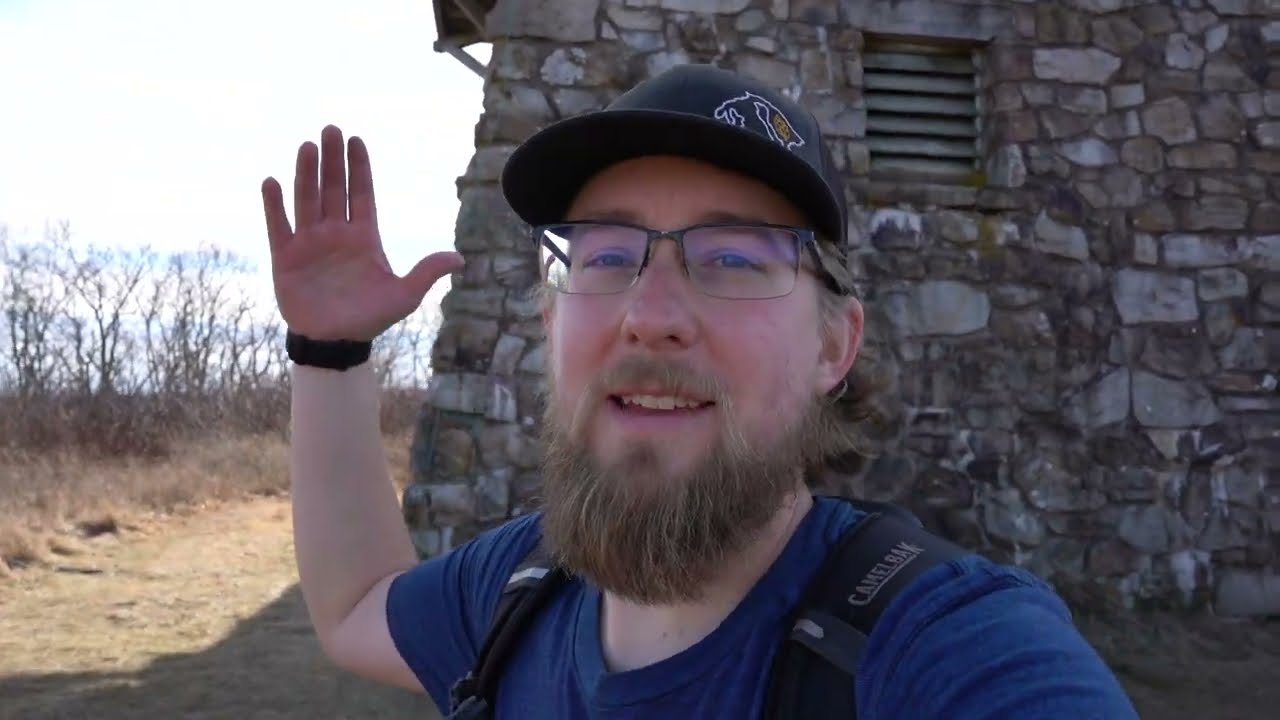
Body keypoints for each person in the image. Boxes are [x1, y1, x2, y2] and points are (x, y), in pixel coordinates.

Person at [261, 63, 1138, 719]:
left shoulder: (947, 649)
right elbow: (355, 607)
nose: (650, 315)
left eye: (732, 258)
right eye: (606, 255)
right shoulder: (517, 593)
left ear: (835, 343)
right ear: (551, 321)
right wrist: (330, 352)